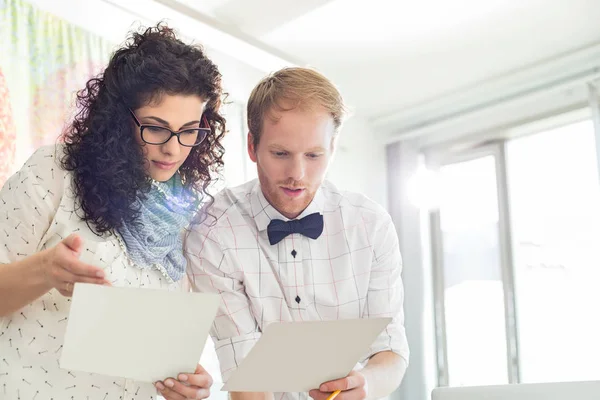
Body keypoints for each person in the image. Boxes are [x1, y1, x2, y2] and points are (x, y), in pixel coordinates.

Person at [0, 24, 225, 400]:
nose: (173, 149)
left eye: (189, 130)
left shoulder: (185, 219)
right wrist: (43, 271)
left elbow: (155, 351)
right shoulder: (55, 172)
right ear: (119, 120)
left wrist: (183, 382)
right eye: (156, 128)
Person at [186, 67, 409, 400]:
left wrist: (367, 385)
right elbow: (244, 371)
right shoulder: (214, 232)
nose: (297, 174)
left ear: (332, 148)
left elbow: (390, 350)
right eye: (280, 154)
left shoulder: (370, 225)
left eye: (314, 155)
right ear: (252, 145)